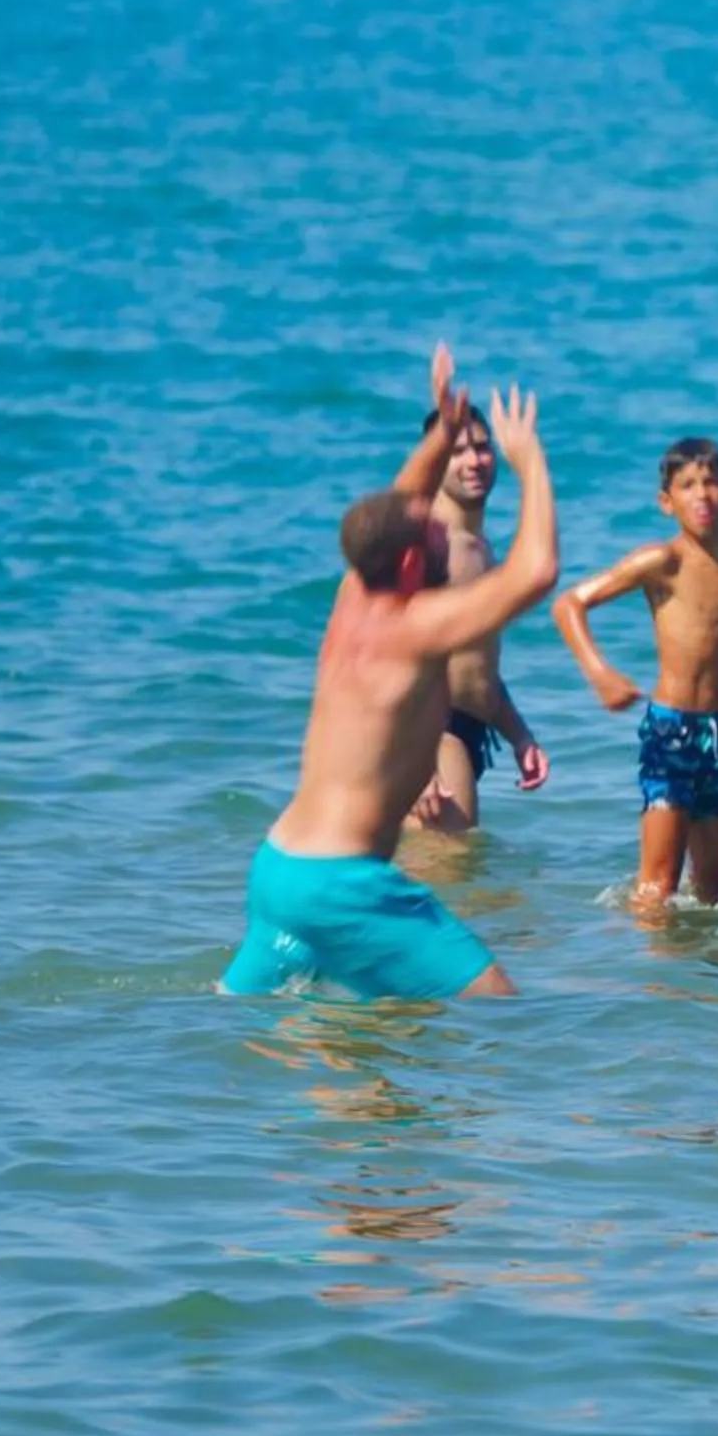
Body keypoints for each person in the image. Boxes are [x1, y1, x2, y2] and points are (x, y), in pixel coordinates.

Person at [222, 348, 557, 1001]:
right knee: (500, 1013)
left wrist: (442, 429)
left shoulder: (353, 599)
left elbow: (399, 502)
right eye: (426, 534)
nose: (434, 526)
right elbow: (537, 572)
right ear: (409, 565)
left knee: (278, 1040)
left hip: (279, 869)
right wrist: (531, 461)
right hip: (342, 885)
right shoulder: (411, 627)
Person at [553, 437, 718, 912]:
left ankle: (707, 980)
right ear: (666, 503)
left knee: (717, 890)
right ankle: (647, 983)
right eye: (687, 486)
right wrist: (599, 672)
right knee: (658, 886)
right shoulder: (661, 562)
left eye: (711, 482)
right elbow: (569, 604)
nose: (702, 495)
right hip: (673, 730)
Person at [405, 401, 550, 833]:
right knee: (450, 877)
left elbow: (476, 667)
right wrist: (415, 759)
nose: (474, 460)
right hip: (432, 734)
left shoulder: (478, 547)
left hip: (468, 732)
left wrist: (519, 735)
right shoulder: (430, 545)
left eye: (483, 448)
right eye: (457, 450)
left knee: (449, 881)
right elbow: (383, 655)